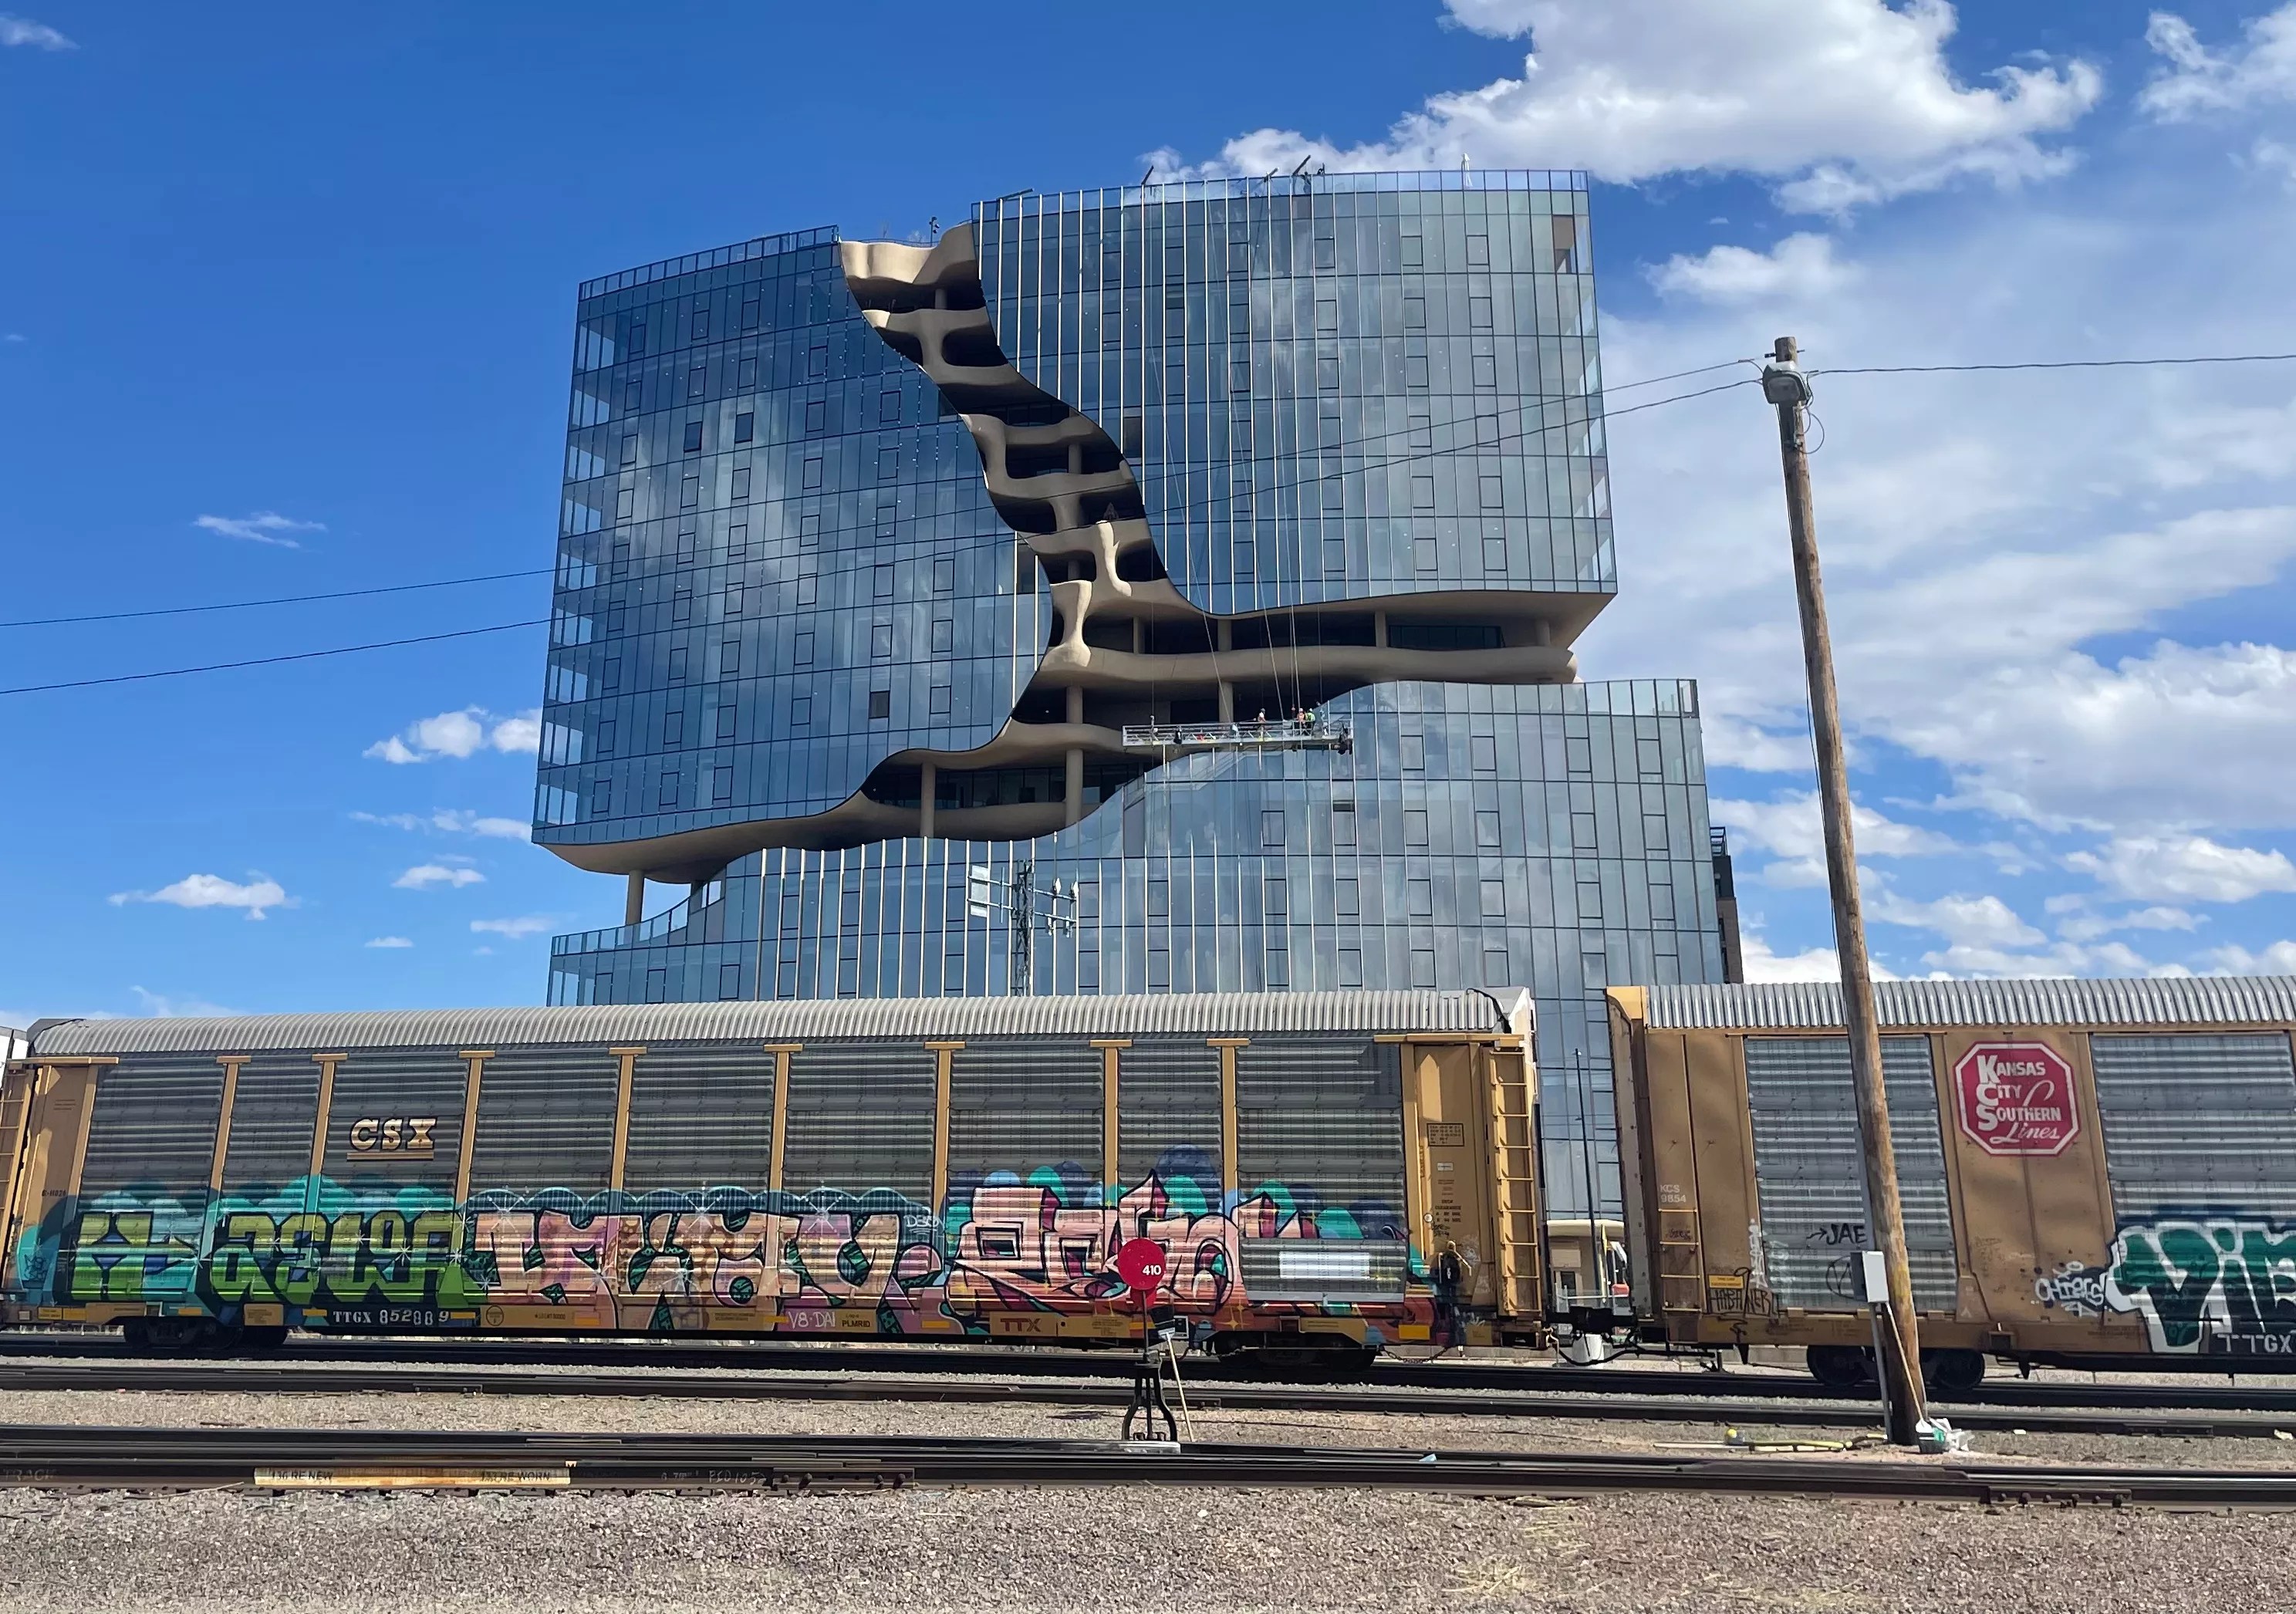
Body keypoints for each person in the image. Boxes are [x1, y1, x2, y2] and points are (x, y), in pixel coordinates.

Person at [1432, 1241, 1466, 1344]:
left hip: (1448, 1286)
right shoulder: (1456, 1258)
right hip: (1453, 1285)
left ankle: (1454, 1337)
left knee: (1451, 1310)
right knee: (1454, 1310)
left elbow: (1447, 1270)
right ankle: (1457, 1337)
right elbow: (1457, 1271)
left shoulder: (1447, 1257)